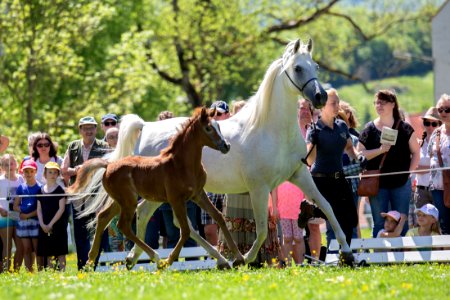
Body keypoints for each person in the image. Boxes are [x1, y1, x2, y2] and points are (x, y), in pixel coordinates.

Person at [357, 89, 420, 237]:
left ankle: (402, 258)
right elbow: (359, 154)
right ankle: (380, 257)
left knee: (401, 222)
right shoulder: (369, 129)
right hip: (377, 184)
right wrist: (380, 150)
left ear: (392, 104)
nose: (379, 105)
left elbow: (416, 152)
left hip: (401, 182)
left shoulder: (405, 128)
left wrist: (408, 173)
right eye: (376, 102)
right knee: (379, 222)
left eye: (382, 102)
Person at [305, 88, 359, 247]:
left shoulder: (342, 126)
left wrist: (358, 157)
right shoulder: (314, 129)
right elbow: (310, 160)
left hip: (339, 178)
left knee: (351, 220)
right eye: (333, 103)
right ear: (322, 106)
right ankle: (311, 210)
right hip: (320, 180)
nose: (337, 106)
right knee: (331, 218)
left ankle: (345, 254)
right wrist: (314, 142)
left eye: (338, 102)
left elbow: (350, 148)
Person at [61, 116, 109, 270]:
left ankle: (98, 265)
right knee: (80, 235)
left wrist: (91, 169)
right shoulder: (73, 146)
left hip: (97, 198)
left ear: (96, 129)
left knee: (99, 232)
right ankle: (82, 267)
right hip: (78, 198)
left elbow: (109, 167)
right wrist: (77, 170)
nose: (89, 131)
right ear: (80, 130)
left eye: (92, 128)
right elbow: (64, 170)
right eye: (85, 128)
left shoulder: (104, 145)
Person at [296, 99, 324, 261]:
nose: (305, 111)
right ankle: (296, 261)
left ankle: (315, 261)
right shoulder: (290, 130)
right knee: (293, 226)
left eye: (308, 108)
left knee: (313, 225)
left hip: (313, 182)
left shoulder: (317, 130)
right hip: (291, 184)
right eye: (302, 108)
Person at [202, 100, 230, 245]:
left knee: (231, 225)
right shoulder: (207, 132)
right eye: (212, 113)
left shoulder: (235, 134)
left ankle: (230, 255)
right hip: (210, 183)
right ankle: (218, 257)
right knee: (209, 229)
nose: (215, 116)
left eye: (218, 113)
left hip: (230, 184)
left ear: (227, 114)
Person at [412, 107, 441, 226]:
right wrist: (432, 167)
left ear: (440, 125)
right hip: (421, 191)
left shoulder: (443, 143)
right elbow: (414, 167)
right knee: (421, 225)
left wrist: (422, 168)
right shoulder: (418, 144)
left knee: (440, 224)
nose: (430, 126)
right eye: (427, 123)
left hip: (439, 190)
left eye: (433, 123)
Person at [36, 162, 68, 271]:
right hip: (44, 225)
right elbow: (39, 209)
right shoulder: (40, 190)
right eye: (50, 172)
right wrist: (42, 224)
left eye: (55, 172)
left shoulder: (60, 190)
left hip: (58, 225)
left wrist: (51, 224)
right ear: (45, 174)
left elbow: (61, 209)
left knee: (60, 251)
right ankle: (50, 274)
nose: (52, 174)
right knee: (48, 252)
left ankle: (62, 272)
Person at [13, 160, 41, 272]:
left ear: (35, 171)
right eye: (26, 171)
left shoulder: (40, 187)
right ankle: (29, 272)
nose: (28, 174)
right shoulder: (21, 187)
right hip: (23, 221)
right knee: (26, 248)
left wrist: (29, 214)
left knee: (36, 248)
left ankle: (40, 271)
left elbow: (40, 208)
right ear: (22, 173)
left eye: (31, 171)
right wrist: (21, 212)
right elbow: (15, 205)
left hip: (35, 220)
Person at [428, 94, 450, 234]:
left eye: (447, 109)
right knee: (444, 222)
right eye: (440, 109)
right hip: (437, 186)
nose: (443, 113)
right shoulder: (436, 133)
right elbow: (430, 154)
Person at [0, 154, 23, 272]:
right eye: (5, 164)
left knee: (21, 246)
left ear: (16, 164)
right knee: (7, 245)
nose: (9, 166)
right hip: (4, 216)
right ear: (2, 167)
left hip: (18, 216)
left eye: (11, 163)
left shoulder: (21, 179)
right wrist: (0, 209)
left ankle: (16, 270)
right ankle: (5, 270)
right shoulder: (0, 180)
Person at [273, 182, 305, 265]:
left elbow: (306, 188)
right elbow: (274, 189)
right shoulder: (279, 171)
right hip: (283, 210)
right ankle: (288, 264)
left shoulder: (300, 169)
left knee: (298, 238)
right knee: (287, 238)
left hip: (299, 210)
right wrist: (274, 207)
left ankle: (300, 264)